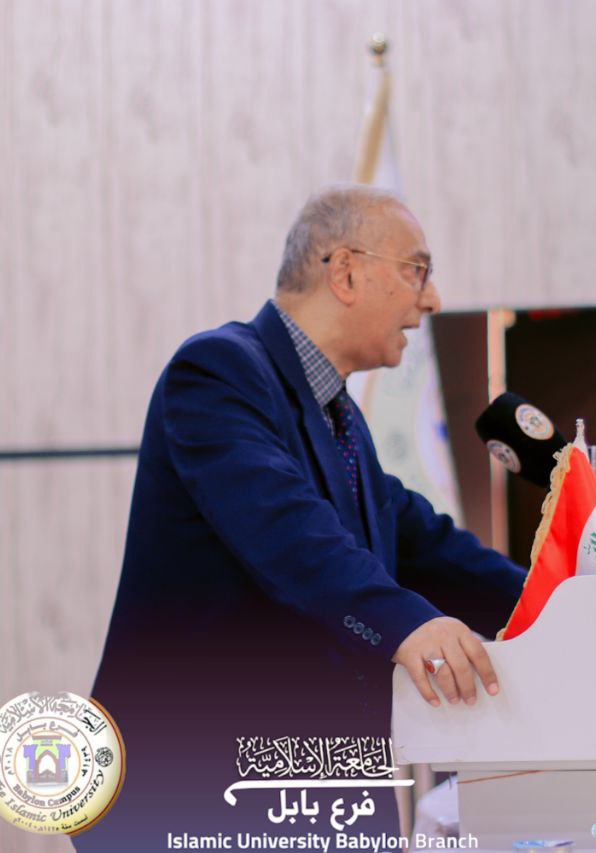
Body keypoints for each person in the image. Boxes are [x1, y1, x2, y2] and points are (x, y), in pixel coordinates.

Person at [76, 185, 526, 849]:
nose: (430, 299)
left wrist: (557, 600)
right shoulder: (217, 374)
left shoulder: (341, 418)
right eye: (416, 270)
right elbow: (288, 533)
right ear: (344, 272)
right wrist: (409, 623)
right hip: (197, 792)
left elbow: (423, 542)